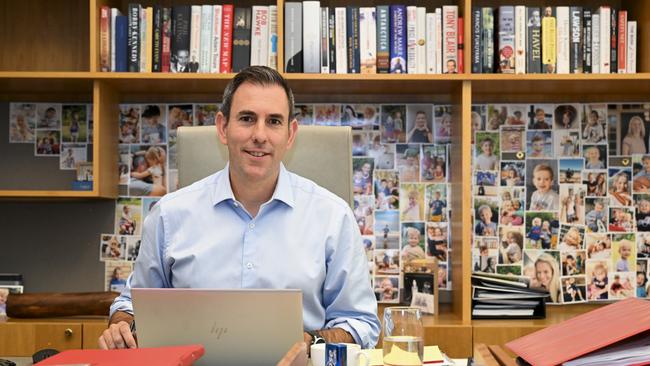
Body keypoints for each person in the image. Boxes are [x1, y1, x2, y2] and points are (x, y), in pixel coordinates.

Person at [100, 66, 380, 352]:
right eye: (247, 118)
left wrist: (313, 342)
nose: (260, 135)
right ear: (223, 127)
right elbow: (130, 306)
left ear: (290, 133)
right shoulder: (169, 215)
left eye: (273, 121)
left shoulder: (333, 217)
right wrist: (122, 325)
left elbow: (360, 323)